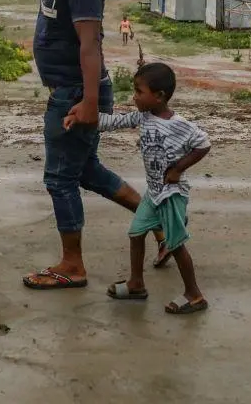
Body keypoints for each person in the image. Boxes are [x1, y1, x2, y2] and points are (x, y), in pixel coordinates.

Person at [21, 0, 164, 290]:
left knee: (60, 179)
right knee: (86, 170)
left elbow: (90, 45)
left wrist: (86, 102)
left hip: (75, 94)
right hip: (72, 90)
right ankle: (162, 224)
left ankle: (73, 265)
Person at [68, 62, 212, 314]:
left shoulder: (179, 124)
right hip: (153, 193)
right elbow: (114, 122)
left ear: (159, 96)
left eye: (138, 91)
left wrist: (178, 169)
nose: (134, 97)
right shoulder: (143, 117)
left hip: (171, 195)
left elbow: (203, 143)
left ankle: (195, 295)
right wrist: (83, 116)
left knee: (175, 245)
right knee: (136, 233)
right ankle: (136, 284)